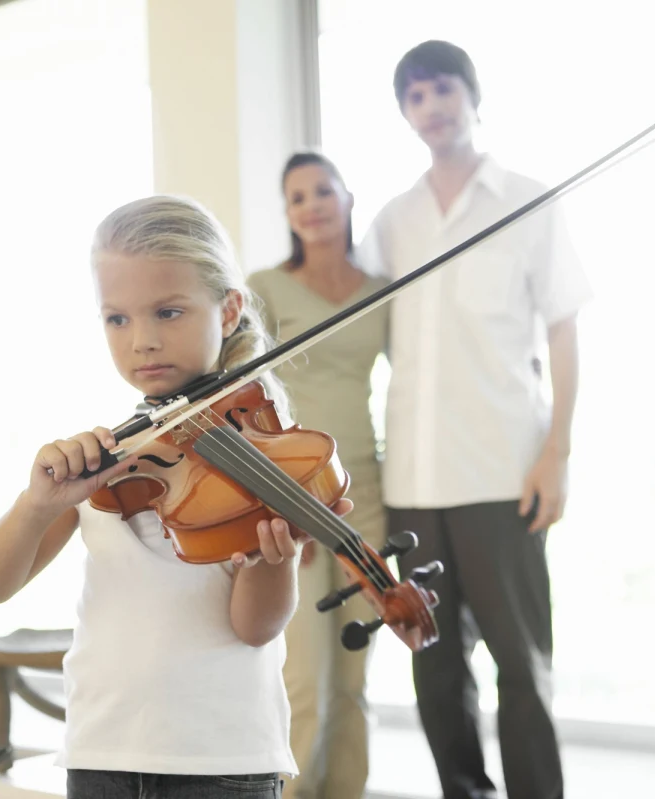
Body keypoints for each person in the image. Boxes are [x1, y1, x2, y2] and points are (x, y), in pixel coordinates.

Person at [0, 194, 355, 799]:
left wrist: (270, 564)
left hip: (222, 759)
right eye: (116, 319)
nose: (141, 341)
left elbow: (254, 629)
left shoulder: (261, 456)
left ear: (227, 311)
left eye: (167, 313)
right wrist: (37, 504)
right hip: (101, 751)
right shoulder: (105, 461)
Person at [357, 40, 592, 799]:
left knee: (520, 664)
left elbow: (562, 327)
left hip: (501, 466)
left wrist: (557, 449)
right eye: (416, 96)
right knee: (433, 660)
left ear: (473, 96)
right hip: (414, 477)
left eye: (444, 90)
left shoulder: (529, 198)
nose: (432, 107)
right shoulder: (392, 221)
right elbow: (355, 325)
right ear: (404, 113)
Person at [247, 152, 389, 799]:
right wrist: (272, 496)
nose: (311, 205)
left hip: (365, 489)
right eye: (296, 197)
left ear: (347, 198)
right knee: (305, 676)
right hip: (295, 493)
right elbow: (250, 398)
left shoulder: (379, 290)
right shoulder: (266, 289)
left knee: (356, 676)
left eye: (322, 191)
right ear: (288, 214)